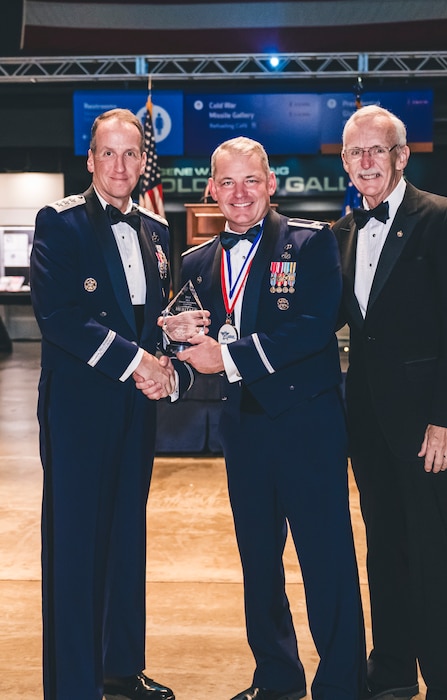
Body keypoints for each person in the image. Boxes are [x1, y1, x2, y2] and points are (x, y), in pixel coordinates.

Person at [172, 136, 366, 700]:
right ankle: (277, 677)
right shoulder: (195, 262)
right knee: (259, 564)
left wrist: (225, 356)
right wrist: (176, 346)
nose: (239, 194)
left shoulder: (309, 243)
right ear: (211, 189)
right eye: (226, 182)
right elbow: (197, 341)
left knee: (325, 559)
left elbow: (313, 325)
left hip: (308, 426)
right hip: (244, 432)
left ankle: (340, 683)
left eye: (250, 181)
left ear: (271, 184)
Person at [30, 108, 204, 700]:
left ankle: (120, 670)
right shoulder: (60, 223)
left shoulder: (157, 231)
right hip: (79, 411)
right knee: (75, 547)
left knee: (128, 538)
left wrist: (171, 338)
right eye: (109, 152)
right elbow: (60, 319)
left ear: (142, 161)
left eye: (131, 154)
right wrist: (141, 363)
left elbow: (147, 321)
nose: (122, 165)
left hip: (135, 408)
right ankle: (74, 685)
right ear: (91, 159)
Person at [331, 105, 447, 700]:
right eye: (355, 153)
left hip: (430, 430)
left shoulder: (446, 220)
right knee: (384, 553)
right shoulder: (342, 235)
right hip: (369, 429)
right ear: (344, 162)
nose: (366, 162)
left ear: (402, 157)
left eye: (378, 150)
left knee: (433, 558)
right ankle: (392, 669)